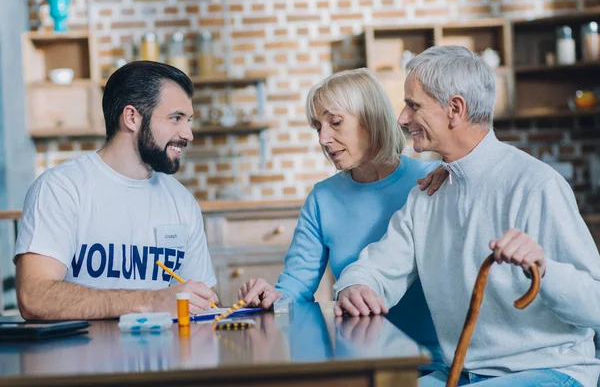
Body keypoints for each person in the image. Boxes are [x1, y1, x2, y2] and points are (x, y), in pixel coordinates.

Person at [334, 46, 600, 387]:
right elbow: (376, 266)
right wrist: (356, 284)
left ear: (455, 109)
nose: (402, 117)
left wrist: (544, 268)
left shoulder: (535, 184)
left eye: (413, 105)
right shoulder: (428, 195)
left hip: (547, 371)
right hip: (461, 374)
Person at [237, 68, 447, 364]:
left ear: (371, 120)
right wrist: (272, 296)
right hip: (359, 361)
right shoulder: (322, 198)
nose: (323, 138)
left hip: (433, 362)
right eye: (318, 127)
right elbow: (296, 285)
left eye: (335, 123)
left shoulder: (432, 180)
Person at [14, 61, 219, 320]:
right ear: (131, 117)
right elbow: (34, 297)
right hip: (78, 359)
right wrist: (151, 301)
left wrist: (250, 304)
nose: (188, 134)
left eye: (188, 120)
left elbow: (205, 302)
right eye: (176, 118)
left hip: (167, 359)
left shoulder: (182, 201)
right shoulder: (60, 189)